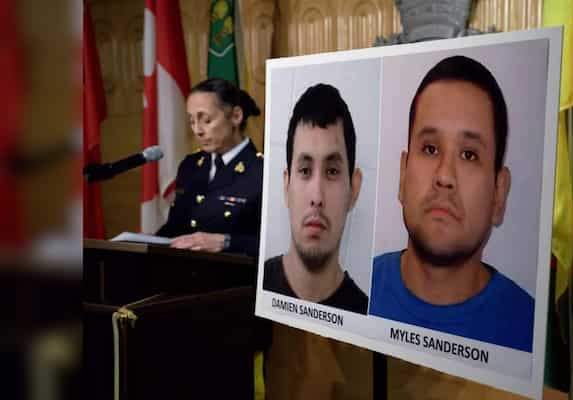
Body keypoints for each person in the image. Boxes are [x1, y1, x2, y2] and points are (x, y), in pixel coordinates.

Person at [368, 56, 534, 352]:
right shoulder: (352, 292)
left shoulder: (533, 333)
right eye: (431, 149)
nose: (444, 176)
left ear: (499, 193)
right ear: (403, 175)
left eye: (469, 155)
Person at [263, 83, 368, 314]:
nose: (317, 197)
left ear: (354, 189)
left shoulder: (365, 314)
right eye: (304, 170)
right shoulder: (255, 287)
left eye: (332, 171)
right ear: (286, 185)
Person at [156, 78, 263, 256]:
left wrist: (226, 242)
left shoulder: (261, 171)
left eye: (206, 120)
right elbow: (175, 228)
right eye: (192, 121)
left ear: (236, 116)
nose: (197, 130)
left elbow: (274, 244)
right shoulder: (190, 165)